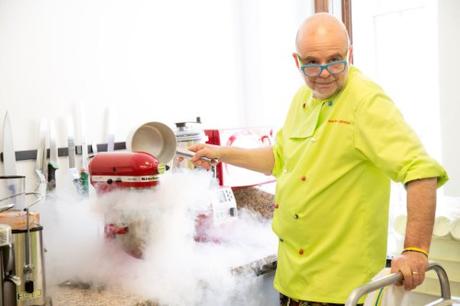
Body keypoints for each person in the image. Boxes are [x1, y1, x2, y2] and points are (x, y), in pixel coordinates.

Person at [188, 13, 448, 306]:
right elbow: (278, 158)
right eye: (312, 63)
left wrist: (415, 250)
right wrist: (220, 153)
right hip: (293, 280)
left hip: (341, 290)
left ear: (350, 54)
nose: (324, 73)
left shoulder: (366, 102)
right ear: (297, 61)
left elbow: (421, 171)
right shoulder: (302, 98)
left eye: (335, 60)